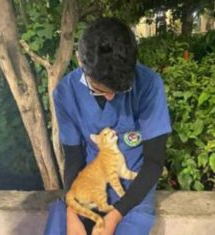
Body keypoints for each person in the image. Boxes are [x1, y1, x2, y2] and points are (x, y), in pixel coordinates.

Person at [43, 18, 172, 235]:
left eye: (119, 91)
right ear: (80, 62)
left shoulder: (149, 84)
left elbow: (153, 162)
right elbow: (74, 157)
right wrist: (72, 212)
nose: (111, 98)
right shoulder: (65, 93)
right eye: (100, 90)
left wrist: (114, 217)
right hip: (88, 184)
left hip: (134, 192)